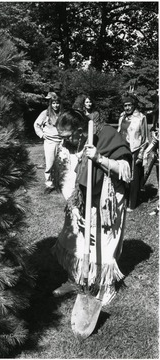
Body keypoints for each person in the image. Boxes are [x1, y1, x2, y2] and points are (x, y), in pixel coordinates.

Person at [52, 109, 132, 306]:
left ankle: (106, 287)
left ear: (80, 130)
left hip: (106, 199)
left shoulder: (106, 136)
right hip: (78, 198)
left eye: (67, 136)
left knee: (104, 243)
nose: (64, 141)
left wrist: (99, 158)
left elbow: (126, 170)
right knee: (75, 240)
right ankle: (75, 279)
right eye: (61, 137)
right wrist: (73, 205)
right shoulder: (65, 144)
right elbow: (62, 175)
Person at [117, 93, 149, 211]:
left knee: (133, 177)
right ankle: (122, 199)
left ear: (134, 105)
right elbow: (119, 131)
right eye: (125, 105)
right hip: (122, 149)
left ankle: (132, 203)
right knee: (122, 175)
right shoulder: (122, 116)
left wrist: (141, 153)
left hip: (134, 150)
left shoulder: (141, 117)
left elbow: (145, 138)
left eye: (129, 105)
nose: (127, 108)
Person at [34, 92, 62, 193]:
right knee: (49, 164)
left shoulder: (62, 114)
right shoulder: (45, 113)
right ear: (51, 104)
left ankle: (59, 183)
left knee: (61, 164)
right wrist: (41, 134)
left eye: (57, 103)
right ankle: (49, 184)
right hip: (50, 142)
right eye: (53, 103)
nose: (56, 105)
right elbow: (36, 125)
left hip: (62, 142)